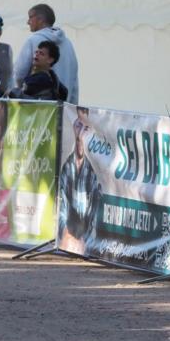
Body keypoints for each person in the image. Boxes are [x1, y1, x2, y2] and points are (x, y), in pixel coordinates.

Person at [13, 3, 79, 103]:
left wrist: (22, 93)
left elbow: (19, 74)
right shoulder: (68, 43)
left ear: (40, 20)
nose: (28, 22)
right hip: (63, 108)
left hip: (37, 109)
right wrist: (73, 106)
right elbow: (74, 80)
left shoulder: (32, 40)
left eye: (30, 17)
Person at [58, 107, 102, 256]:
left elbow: (94, 219)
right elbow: (60, 208)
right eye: (78, 125)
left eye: (86, 128)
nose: (81, 132)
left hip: (85, 245)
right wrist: (66, 235)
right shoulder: (67, 168)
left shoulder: (93, 174)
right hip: (66, 241)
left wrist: (83, 241)